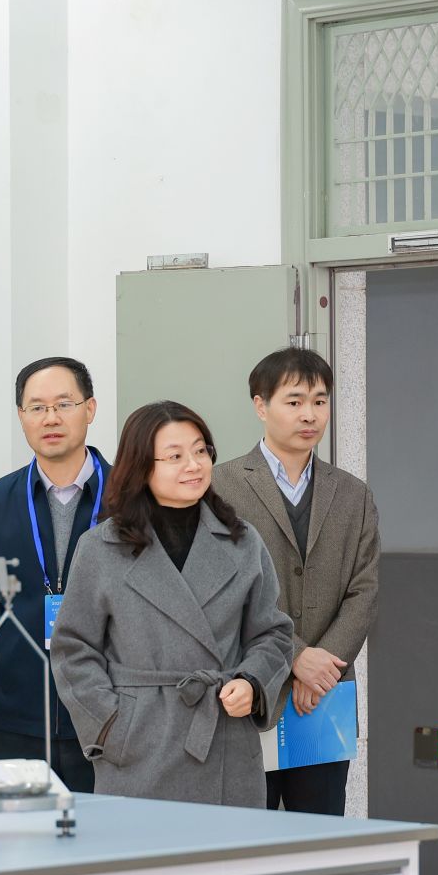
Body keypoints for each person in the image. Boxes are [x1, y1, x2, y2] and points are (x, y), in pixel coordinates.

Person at [50, 401, 295, 808]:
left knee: (226, 850)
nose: (194, 465)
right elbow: (73, 649)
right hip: (139, 747)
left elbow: (273, 633)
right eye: (175, 456)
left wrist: (253, 682)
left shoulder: (242, 541)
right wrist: (111, 725)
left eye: (201, 451)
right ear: (141, 466)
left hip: (224, 741)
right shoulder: (101, 548)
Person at [214, 348, 379, 815]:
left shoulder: (353, 494)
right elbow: (221, 592)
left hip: (323, 699)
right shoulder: (221, 486)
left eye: (320, 401)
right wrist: (295, 657)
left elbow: (364, 591)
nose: (310, 414)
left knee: (321, 835)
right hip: (250, 691)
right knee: (249, 835)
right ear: (260, 405)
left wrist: (323, 668)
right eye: (294, 401)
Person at [0, 356, 108, 793]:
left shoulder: (131, 498)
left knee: (110, 832)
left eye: (64, 404)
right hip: (19, 719)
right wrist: (15, 671)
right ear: (21, 416)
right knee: (22, 832)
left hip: (111, 715)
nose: (51, 418)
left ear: (90, 408)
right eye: (37, 407)